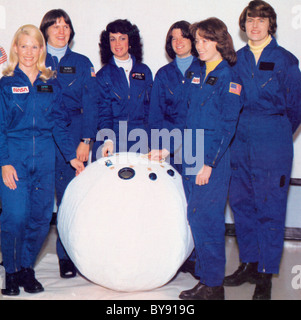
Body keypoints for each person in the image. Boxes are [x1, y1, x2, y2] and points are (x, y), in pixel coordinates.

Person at [225, 0, 301, 300]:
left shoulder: (286, 60)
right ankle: (250, 264)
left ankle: (267, 274)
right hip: (239, 140)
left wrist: (276, 132)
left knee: (270, 207)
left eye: (261, 20)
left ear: (271, 25)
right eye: (250, 20)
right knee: (242, 204)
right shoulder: (235, 60)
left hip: (272, 139)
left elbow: (296, 108)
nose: (255, 25)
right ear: (243, 26)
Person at [0, 24, 84, 296]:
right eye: (23, 46)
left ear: (41, 50)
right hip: (15, 155)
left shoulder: (51, 82)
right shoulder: (6, 84)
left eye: (34, 46)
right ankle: (11, 271)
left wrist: (71, 156)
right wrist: (4, 162)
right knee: (15, 216)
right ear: (15, 48)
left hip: (46, 157)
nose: (28, 51)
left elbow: (59, 122)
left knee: (40, 217)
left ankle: (26, 268)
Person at [178, 18, 243, 300]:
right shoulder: (198, 72)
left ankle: (214, 285)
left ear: (220, 42)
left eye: (206, 40)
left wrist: (209, 164)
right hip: (191, 150)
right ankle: (206, 279)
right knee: (197, 216)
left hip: (210, 157)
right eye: (198, 41)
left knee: (207, 218)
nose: (200, 46)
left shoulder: (229, 77)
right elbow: (189, 118)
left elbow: (228, 125)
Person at [40, 9, 98, 278]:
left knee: (69, 200)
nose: (61, 31)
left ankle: (66, 257)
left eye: (65, 26)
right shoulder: (34, 59)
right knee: (37, 202)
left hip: (74, 136)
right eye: (55, 26)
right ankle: (23, 258)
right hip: (40, 137)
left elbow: (91, 105)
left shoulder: (83, 62)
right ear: (46, 30)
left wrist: (86, 140)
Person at [92, 19, 153, 160]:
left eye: (122, 38)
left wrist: (152, 139)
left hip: (140, 136)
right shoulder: (103, 75)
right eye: (113, 39)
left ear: (130, 41)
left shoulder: (144, 71)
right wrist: (108, 139)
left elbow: (151, 109)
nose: (117, 43)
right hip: (113, 137)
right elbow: (103, 112)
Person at [148, 20, 202, 175]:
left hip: (195, 142)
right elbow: (155, 114)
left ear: (192, 40)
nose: (178, 42)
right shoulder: (163, 74)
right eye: (174, 38)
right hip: (168, 144)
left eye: (183, 37)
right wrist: (155, 145)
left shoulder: (204, 70)